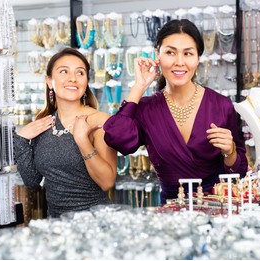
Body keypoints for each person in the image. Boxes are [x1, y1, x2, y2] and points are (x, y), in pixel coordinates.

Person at [103, 19, 247, 204]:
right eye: (170, 52)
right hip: (171, 212)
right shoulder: (146, 108)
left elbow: (238, 172)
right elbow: (118, 138)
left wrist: (230, 151)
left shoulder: (221, 105)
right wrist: (139, 86)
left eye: (188, 53)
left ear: (198, 58)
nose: (179, 62)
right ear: (158, 56)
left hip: (216, 208)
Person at [14, 48, 117, 218]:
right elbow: (32, 181)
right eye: (64, 71)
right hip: (57, 226)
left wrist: (82, 140)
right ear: (49, 81)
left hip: (94, 224)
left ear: (86, 82)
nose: (72, 78)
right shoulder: (44, 122)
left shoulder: (100, 122)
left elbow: (107, 182)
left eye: (80, 73)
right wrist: (21, 140)